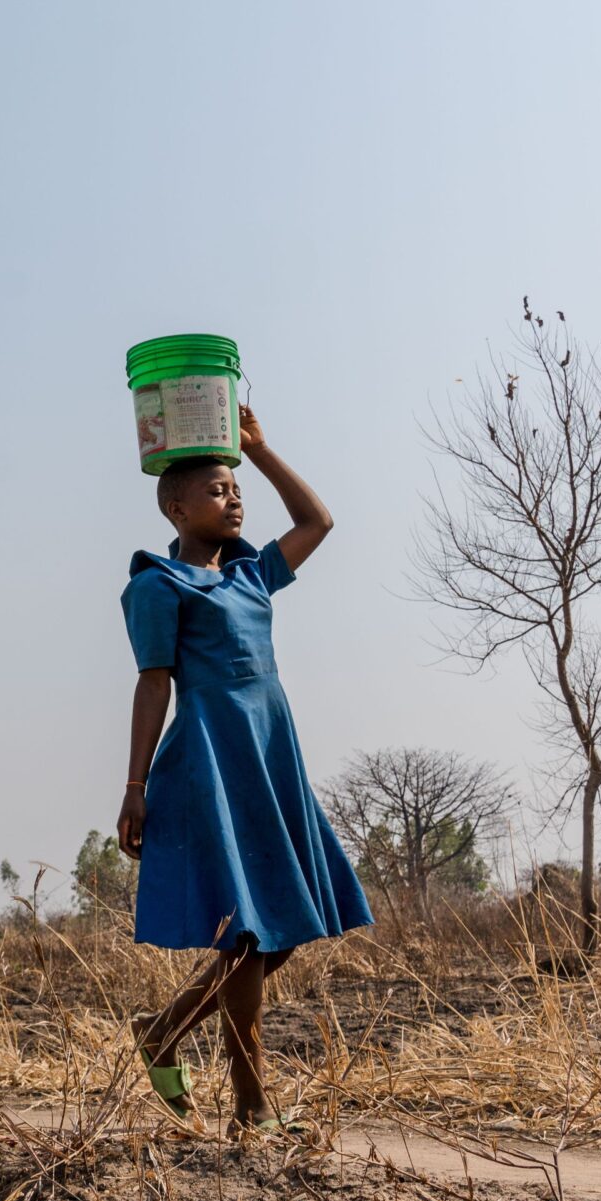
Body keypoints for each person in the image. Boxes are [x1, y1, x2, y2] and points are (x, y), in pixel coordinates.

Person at [118, 403, 372, 1133]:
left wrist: (259, 450)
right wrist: (134, 787)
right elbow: (153, 683)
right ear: (175, 505)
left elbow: (318, 521)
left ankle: (164, 1028)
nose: (234, 499)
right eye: (217, 489)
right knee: (248, 933)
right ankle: (251, 1105)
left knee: (283, 925)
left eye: (237, 490)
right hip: (211, 760)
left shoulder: (253, 575)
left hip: (269, 756)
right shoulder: (157, 586)